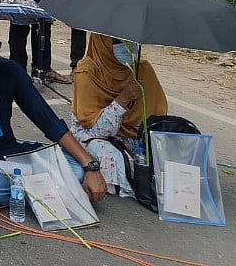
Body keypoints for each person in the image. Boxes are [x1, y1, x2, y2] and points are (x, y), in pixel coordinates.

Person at [0, 19, 108, 205]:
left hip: (9, 153)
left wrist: (90, 166)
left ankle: (14, 195)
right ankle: (46, 192)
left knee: (76, 169)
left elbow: (46, 119)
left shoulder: (9, 71)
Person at [70, 34, 168, 198]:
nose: (127, 46)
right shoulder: (87, 71)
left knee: (162, 153)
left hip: (132, 136)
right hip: (91, 135)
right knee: (110, 156)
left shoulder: (142, 69)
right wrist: (122, 101)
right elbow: (93, 129)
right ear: (103, 44)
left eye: (131, 40)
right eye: (118, 42)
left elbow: (156, 116)